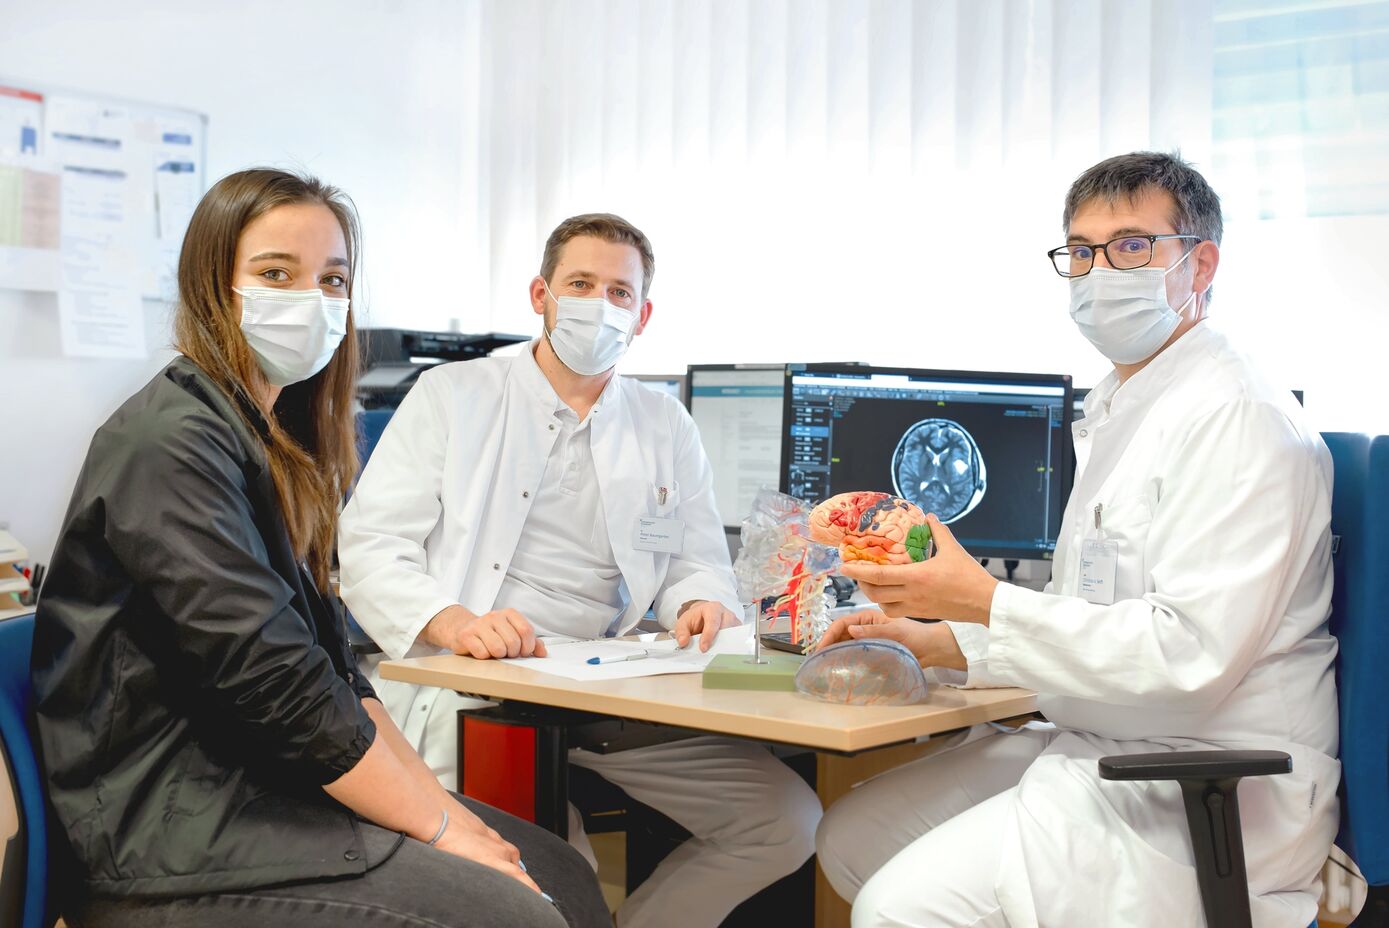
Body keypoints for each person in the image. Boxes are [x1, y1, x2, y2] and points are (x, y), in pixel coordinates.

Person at [31, 169, 609, 928]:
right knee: (516, 913)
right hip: (174, 834)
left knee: (559, 871)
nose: (312, 300)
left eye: (332, 279)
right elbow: (279, 684)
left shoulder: (266, 440)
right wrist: (438, 828)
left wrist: (442, 811)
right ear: (212, 284)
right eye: (277, 273)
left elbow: (334, 670)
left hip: (261, 789)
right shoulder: (169, 445)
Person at [814, 152, 1339, 928]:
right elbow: (1091, 612)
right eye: (1081, 252)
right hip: (1109, 736)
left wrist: (981, 599)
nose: (1099, 273)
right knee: (849, 837)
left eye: (1131, 246)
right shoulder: (1127, 403)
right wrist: (945, 641)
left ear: (1199, 264)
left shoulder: (1235, 416)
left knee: (900, 908)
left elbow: (1185, 655)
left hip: (1208, 776)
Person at [338, 213, 822, 928]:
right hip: (478, 682)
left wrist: (699, 603)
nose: (599, 304)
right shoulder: (455, 395)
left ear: (643, 314)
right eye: (580, 284)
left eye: (619, 292)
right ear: (541, 295)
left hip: (610, 689)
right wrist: (458, 623)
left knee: (785, 820)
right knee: (549, 877)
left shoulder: (664, 423)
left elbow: (696, 561)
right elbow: (372, 545)